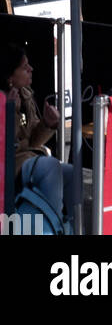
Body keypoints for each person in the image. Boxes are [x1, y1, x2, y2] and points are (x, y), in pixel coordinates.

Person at [2, 43, 73, 228]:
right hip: (8, 164)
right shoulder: (3, 99)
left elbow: (33, 139)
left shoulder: (25, 94)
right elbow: (6, 146)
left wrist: (47, 124)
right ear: (10, 76)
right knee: (50, 166)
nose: (31, 69)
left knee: (72, 173)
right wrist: (10, 113)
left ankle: (72, 225)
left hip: (27, 159)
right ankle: (52, 227)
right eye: (24, 67)